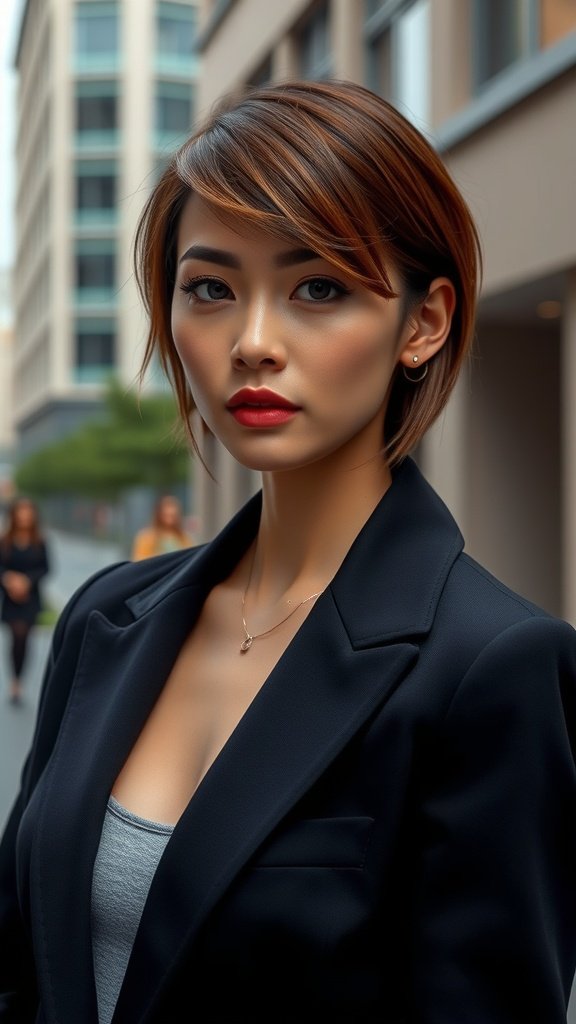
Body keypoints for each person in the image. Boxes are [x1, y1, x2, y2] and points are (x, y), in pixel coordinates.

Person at [1, 78, 575, 1023]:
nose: (252, 342)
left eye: (318, 288)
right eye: (212, 289)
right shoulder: (106, 616)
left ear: (423, 323)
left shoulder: (493, 669)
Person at [0, 496, 49, 706]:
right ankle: (15, 680)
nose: (24, 516)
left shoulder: (40, 541)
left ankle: (20, 679)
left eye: (28, 512)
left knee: (25, 638)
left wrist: (27, 581)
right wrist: (9, 579)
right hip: (10, 598)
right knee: (15, 637)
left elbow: (46, 568)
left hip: (31, 598)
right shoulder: (5, 541)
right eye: (21, 512)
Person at [131, 493, 193, 560]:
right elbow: (139, 561)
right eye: (168, 506)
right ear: (159, 512)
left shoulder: (184, 537)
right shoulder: (146, 536)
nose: (171, 511)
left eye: (174, 507)